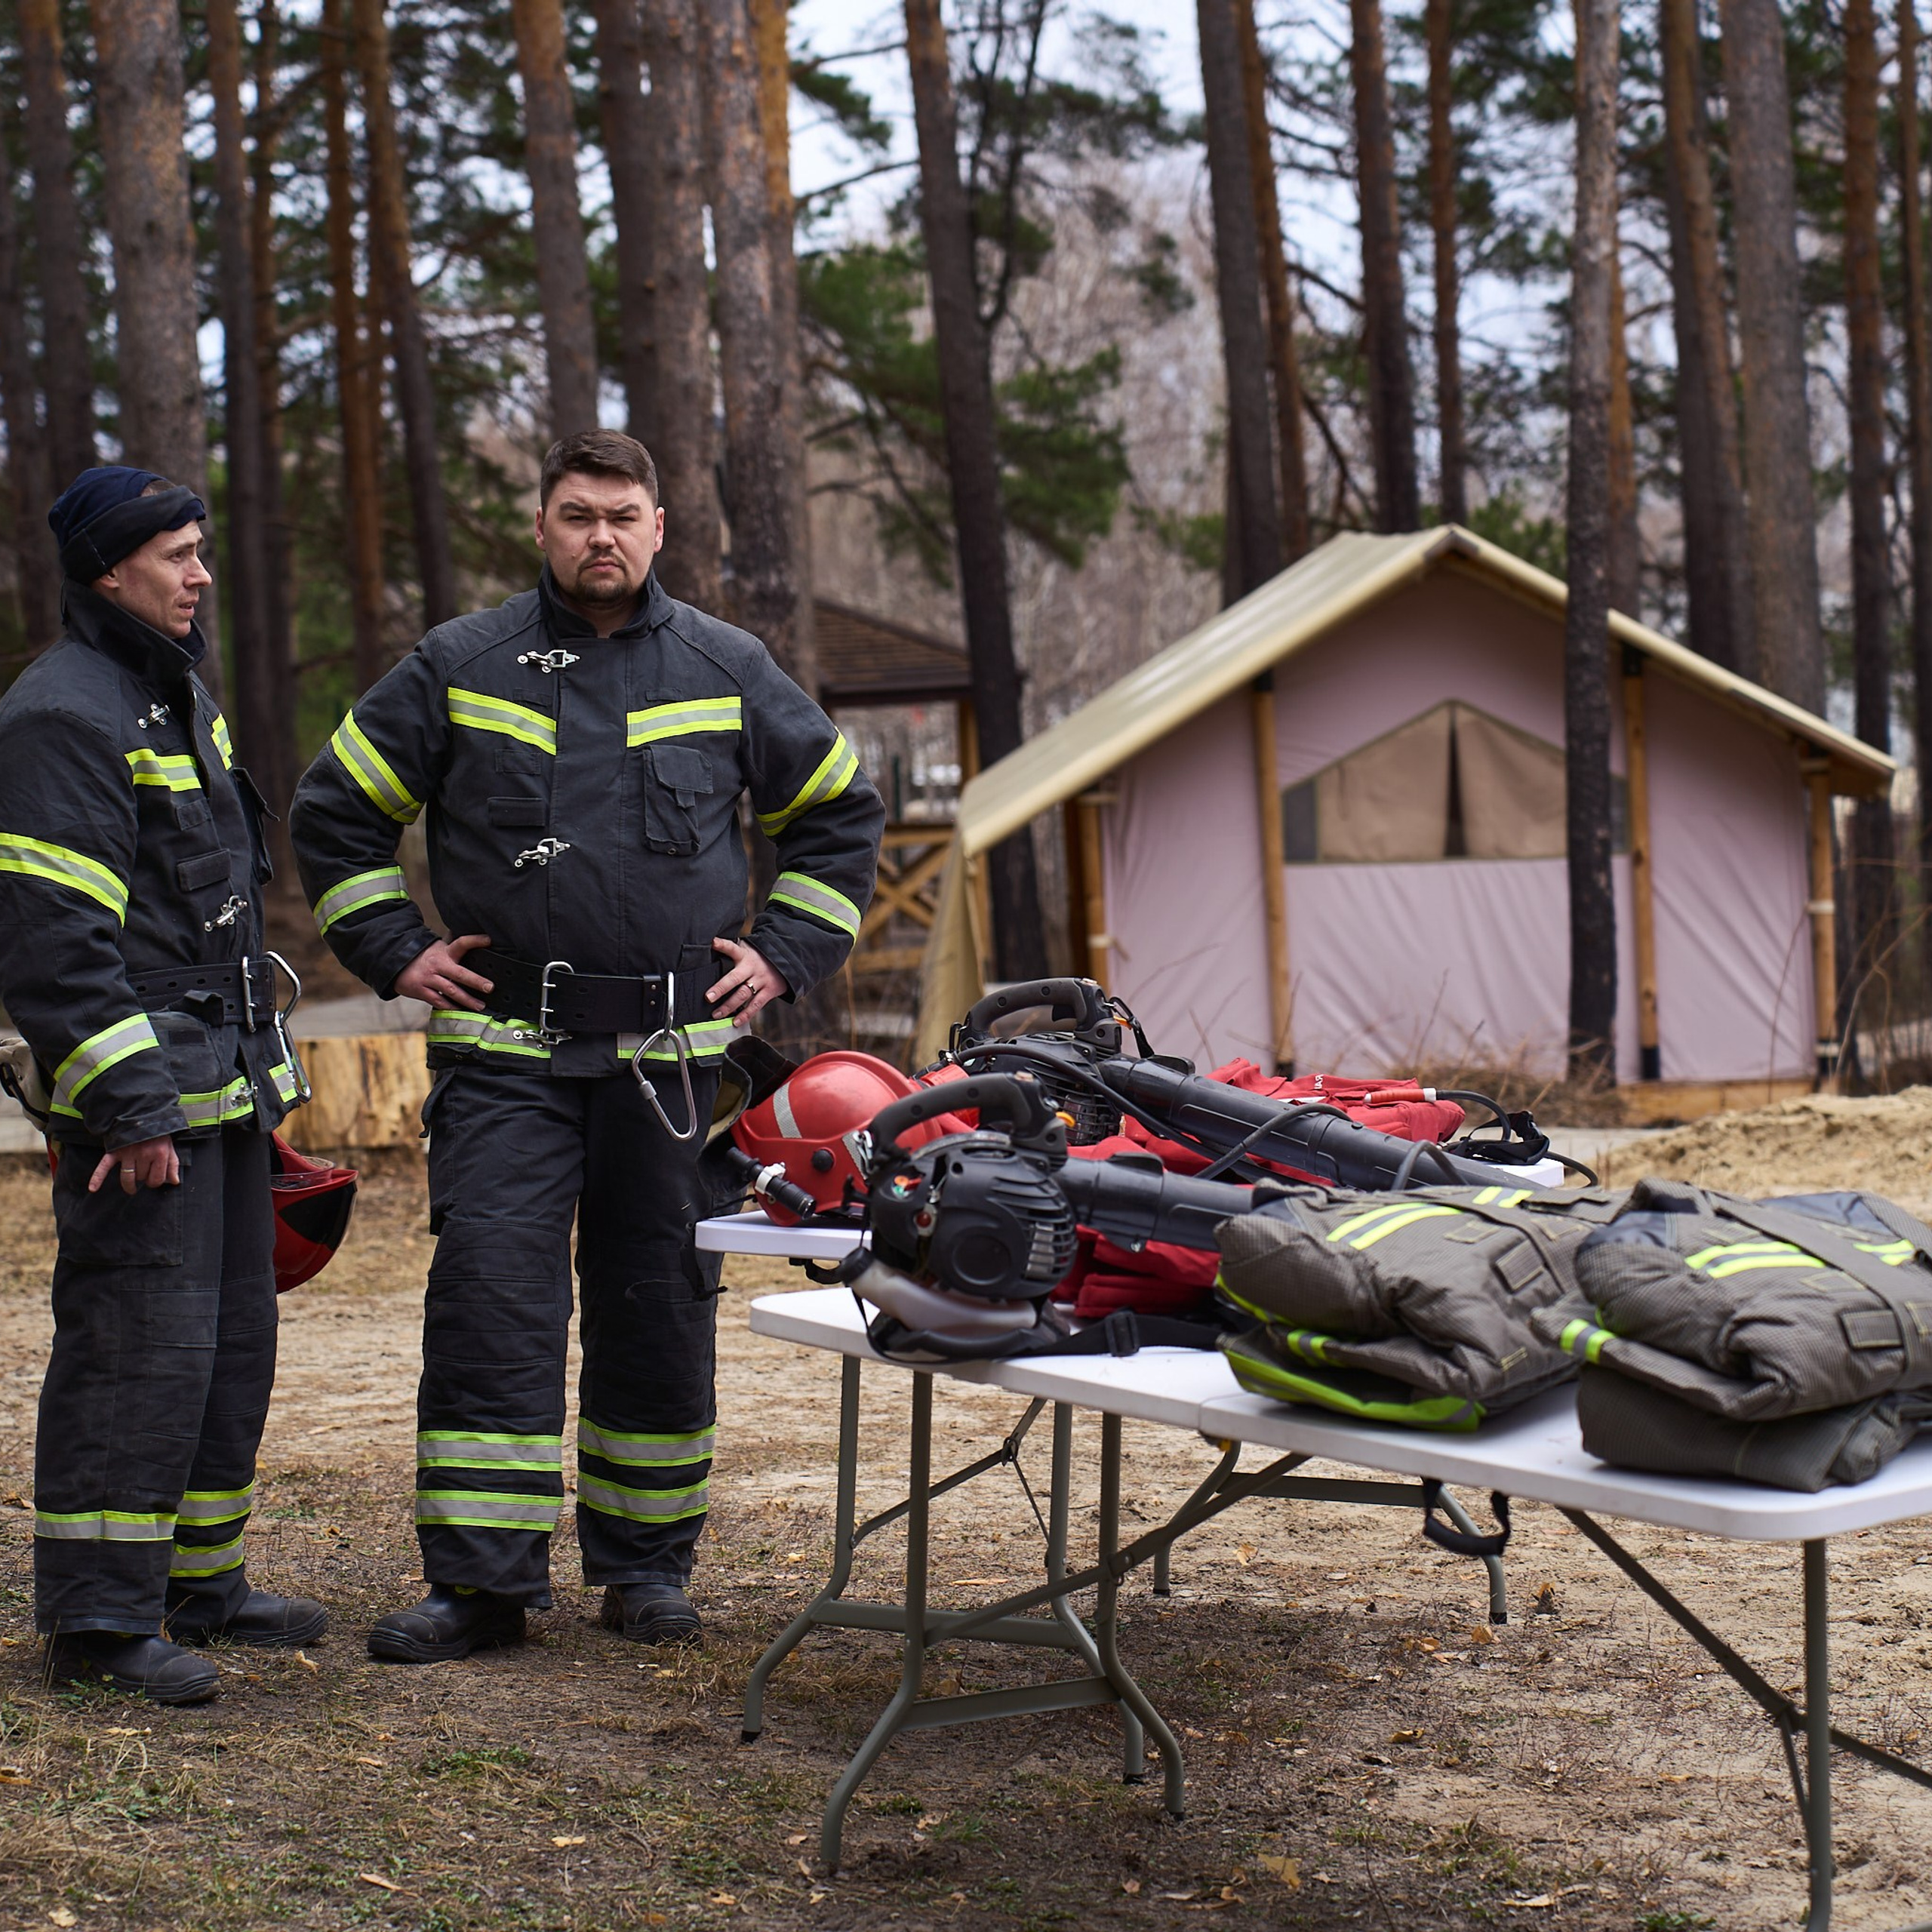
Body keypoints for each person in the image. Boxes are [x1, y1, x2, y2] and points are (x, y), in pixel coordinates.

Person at [289, 429, 883, 1660]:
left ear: (659, 527)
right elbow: (336, 812)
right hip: (507, 1058)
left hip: (668, 1068)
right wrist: (397, 948)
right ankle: (480, 1587)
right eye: (576, 515)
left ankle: (648, 1565)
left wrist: (784, 954)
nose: (599, 536)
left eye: (622, 514)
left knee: (659, 1302)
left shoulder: (726, 667)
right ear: (543, 526)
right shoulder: (460, 666)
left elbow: (836, 815)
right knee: (490, 1307)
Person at [0, 467, 325, 1704]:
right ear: (108, 569)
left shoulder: (168, 688)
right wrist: (129, 1106)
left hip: (224, 1084)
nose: (199, 576)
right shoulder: (60, 716)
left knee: (229, 1344)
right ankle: (95, 1621)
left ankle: (203, 1583)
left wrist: (259, 1079)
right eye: (178, 555)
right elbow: (53, 942)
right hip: (145, 1103)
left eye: (201, 551)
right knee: (139, 1346)